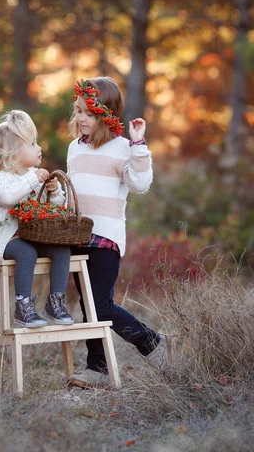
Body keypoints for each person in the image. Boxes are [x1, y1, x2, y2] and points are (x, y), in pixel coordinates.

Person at [67, 77, 169, 388]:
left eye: (89, 113)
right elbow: (73, 191)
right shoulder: (74, 148)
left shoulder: (124, 148)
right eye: (78, 111)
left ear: (106, 114)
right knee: (89, 307)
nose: (81, 118)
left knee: (101, 305)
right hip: (75, 237)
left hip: (105, 238)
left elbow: (140, 184)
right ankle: (97, 368)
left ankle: (151, 342)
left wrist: (138, 145)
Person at [0, 110, 74, 328]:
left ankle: (55, 303)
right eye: (32, 144)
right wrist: (33, 178)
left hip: (32, 238)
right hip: (3, 243)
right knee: (25, 251)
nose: (39, 148)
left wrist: (54, 191)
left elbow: (54, 209)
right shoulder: (1, 179)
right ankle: (22, 307)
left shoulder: (34, 177)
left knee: (61, 249)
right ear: (13, 154)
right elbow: (9, 198)